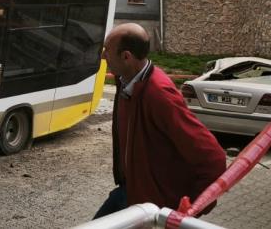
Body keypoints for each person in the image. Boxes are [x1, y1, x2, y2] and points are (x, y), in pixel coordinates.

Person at [94, 23, 226, 219]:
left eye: (108, 51)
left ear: (126, 57)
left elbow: (213, 158)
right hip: (130, 192)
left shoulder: (159, 94)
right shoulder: (127, 80)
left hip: (151, 206)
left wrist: (190, 210)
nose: (103, 56)